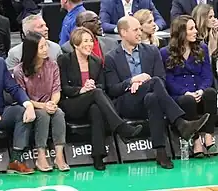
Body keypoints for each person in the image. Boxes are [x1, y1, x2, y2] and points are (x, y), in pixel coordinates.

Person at [104, 16, 210, 169]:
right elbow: (112, 89)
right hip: (127, 102)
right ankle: (180, 122)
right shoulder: (111, 58)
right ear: (123, 32)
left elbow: (161, 78)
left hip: (149, 97)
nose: (140, 33)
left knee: (153, 97)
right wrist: (132, 81)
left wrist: (142, 84)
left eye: (140, 29)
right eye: (135, 30)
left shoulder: (152, 51)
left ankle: (161, 153)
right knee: (153, 82)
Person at [57, 27, 143, 171]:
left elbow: (102, 86)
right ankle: (121, 127)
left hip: (91, 101)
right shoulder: (64, 60)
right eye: (85, 41)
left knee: (96, 109)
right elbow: (63, 87)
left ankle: (98, 156)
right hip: (71, 103)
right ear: (76, 43)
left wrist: (92, 85)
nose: (89, 44)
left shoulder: (96, 61)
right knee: (96, 94)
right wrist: (82, 89)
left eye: (91, 41)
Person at [160, 15, 217, 157]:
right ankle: (196, 140)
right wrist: (186, 92)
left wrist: (201, 90)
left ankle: (209, 136)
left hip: (199, 91)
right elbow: (169, 80)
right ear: (181, 32)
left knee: (210, 92)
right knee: (188, 100)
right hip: (181, 96)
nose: (196, 31)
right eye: (191, 28)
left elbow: (207, 75)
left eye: (195, 28)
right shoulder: (165, 53)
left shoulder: (202, 48)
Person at [13, 31, 70, 172]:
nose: (46, 50)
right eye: (41, 47)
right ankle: (41, 156)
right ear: (32, 50)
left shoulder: (53, 65)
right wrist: (43, 106)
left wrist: (52, 103)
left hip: (49, 104)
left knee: (59, 114)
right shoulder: (19, 71)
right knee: (43, 115)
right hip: (31, 106)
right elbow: (22, 97)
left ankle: (59, 156)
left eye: (46, 46)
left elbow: (56, 91)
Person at [0, 57, 36, 174]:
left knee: (21, 112)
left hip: (1, 113)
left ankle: (15, 160)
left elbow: (13, 87)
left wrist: (29, 104)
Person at [99, 0, 166, 34]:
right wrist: (121, 29)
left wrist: (153, 27)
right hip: (118, 41)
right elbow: (102, 24)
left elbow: (160, 20)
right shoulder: (108, 2)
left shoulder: (145, 1)